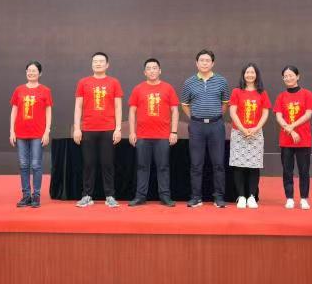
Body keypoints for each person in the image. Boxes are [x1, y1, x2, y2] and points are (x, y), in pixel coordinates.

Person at [180, 49, 230, 208]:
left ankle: (219, 197)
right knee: (196, 163)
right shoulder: (189, 82)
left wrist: (215, 116)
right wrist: (195, 117)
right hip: (197, 126)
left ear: (213, 63)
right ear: (196, 63)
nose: (204, 63)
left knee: (218, 163)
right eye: (201, 60)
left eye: (208, 60)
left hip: (216, 126)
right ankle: (196, 197)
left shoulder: (221, 81)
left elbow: (225, 103)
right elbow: (184, 104)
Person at [127, 58, 179, 207]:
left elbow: (175, 111)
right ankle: (140, 196)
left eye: (154, 68)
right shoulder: (138, 89)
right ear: (144, 72)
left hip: (162, 136)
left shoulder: (168, 88)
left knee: (163, 167)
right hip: (143, 135)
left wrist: (174, 132)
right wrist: (132, 132)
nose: (152, 71)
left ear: (160, 70)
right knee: (142, 167)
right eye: (149, 68)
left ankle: (165, 196)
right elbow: (132, 112)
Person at [73, 52, 123, 208]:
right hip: (88, 129)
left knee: (108, 163)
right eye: (95, 61)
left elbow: (118, 107)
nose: (98, 63)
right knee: (88, 163)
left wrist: (118, 129)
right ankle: (87, 195)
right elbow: (78, 106)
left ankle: (110, 196)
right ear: (91, 64)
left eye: (101, 61)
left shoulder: (114, 82)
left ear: (107, 64)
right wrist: (77, 128)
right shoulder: (83, 82)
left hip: (108, 129)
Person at [273, 65, 312, 210]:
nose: (288, 78)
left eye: (291, 75)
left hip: (303, 140)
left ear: (297, 76)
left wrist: (292, 126)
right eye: (285, 76)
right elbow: (279, 116)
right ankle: (289, 198)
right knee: (287, 171)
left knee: (304, 171)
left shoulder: (307, 94)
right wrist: (291, 130)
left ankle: (304, 198)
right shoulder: (281, 97)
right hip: (286, 140)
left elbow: (308, 114)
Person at [9, 61, 52, 208]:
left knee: (36, 165)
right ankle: (26, 195)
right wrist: (12, 130)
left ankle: (36, 195)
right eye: (29, 70)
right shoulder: (19, 90)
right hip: (20, 132)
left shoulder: (45, 90)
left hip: (38, 133)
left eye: (34, 70)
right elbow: (14, 110)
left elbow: (48, 111)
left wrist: (47, 131)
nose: (31, 73)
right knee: (23, 164)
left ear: (40, 73)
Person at [228, 63, 271, 209]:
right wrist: (242, 129)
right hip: (238, 133)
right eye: (247, 72)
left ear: (256, 75)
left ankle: (252, 196)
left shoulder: (262, 93)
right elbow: (233, 112)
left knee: (254, 166)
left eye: (252, 72)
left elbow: (265, 113)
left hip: (256, 134)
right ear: (243, 75)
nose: (250, 75)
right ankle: (241, 196)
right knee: (239, 166)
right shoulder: (236, 91)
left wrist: (256, 129)